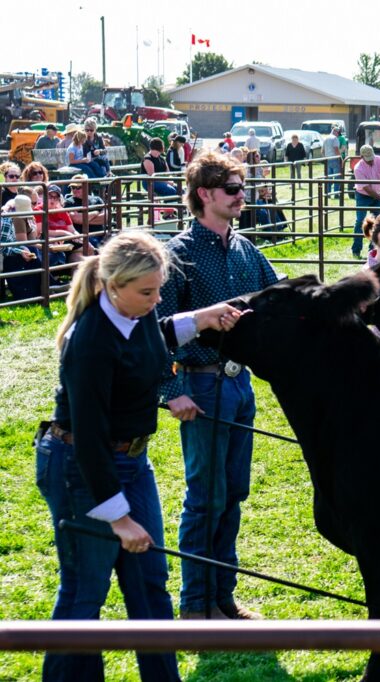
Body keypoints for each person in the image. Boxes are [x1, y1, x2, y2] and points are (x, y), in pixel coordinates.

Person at [36, 229, 241, 680]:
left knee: (150, 583)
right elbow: (89, 437)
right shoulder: (90, 342)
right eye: (146, 292)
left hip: (130, 460)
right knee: (84, 591)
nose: (155, 300)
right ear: (112, 286)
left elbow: (156, 336)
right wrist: (119, 517)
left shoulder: (137, 312)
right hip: (80, 465)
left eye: (158, 290)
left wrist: (201, 318)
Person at [157, 151, 281, 621]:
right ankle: (194, 605)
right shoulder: (178, 255)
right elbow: (156, 329)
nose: (241, 197)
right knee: (205, 497)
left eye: (242, 188)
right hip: (200, 385)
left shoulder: (248, 249)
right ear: (204, 194)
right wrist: (170, 393)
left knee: (233, 494)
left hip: (239, 387)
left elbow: (278, 298)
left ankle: (222, 596)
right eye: (232, 189)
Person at [1, 196, 43, 300]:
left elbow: (10, 242)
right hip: (4, 253)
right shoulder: (6, 221)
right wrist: (20, 250)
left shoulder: (10, 217)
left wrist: (21, 248)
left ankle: (38, 290)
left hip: (7, 251)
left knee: (32, 254)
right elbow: (3, 247)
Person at [321, 127, 342, 198]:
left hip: (327, 160)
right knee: (337, 177)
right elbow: (336, 149)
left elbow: (322, 151)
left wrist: (325, 158)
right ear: (336, 132)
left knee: (328, 178)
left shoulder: (325, 138)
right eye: (338, 133)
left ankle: (328, 193)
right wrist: (340, 158)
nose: (338, 135)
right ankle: (336, 193)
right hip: (334, 159)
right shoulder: (335, 138)